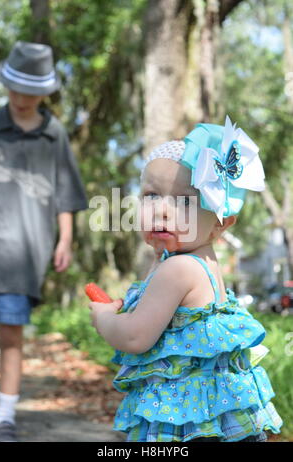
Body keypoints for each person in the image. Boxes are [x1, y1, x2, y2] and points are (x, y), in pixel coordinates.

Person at [88, 116, 283, 442]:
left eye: (184, 201)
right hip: (212, 417)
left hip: (189, 427)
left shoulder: (178, 270)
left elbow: (136, 337)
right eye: (151, 195)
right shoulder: (197, 263)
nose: (162, 210)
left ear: (221, 224)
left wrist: (105, 319)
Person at [0, 41, 87, 442]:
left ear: (44, 93)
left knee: (11, 332)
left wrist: (64, 240)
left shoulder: (54, 135)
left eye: (30, 93)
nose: (21, 99)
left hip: (23, 253)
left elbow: (66, 193)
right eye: (15, 90)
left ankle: (5, 416)